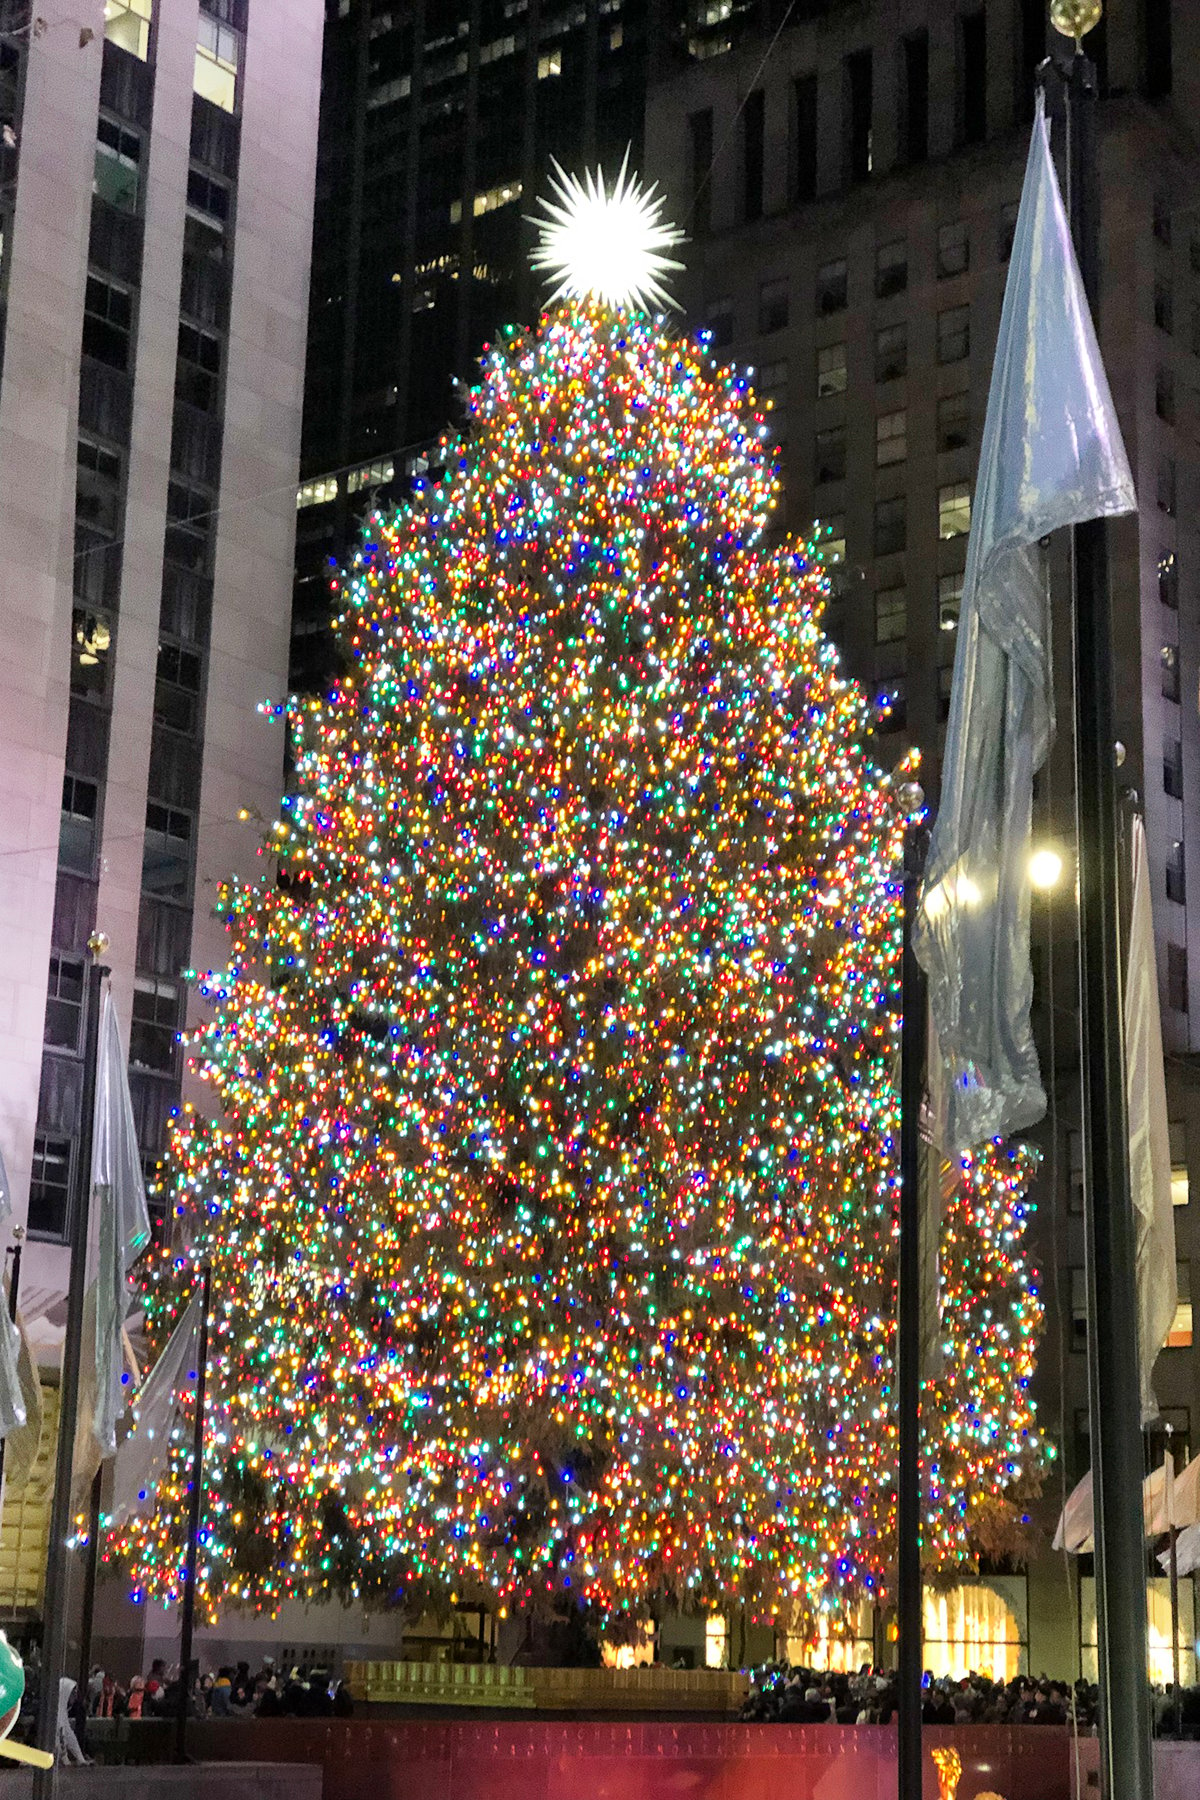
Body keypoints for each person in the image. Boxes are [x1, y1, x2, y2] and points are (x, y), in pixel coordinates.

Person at [56, 1678, 89, 1766]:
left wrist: (81, 1759)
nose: (75, 1696)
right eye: (73, 1692)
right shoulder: (56, 1713)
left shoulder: (62, 1711)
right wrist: (65, 1759)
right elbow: (61, 1736)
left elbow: (70, 1736)